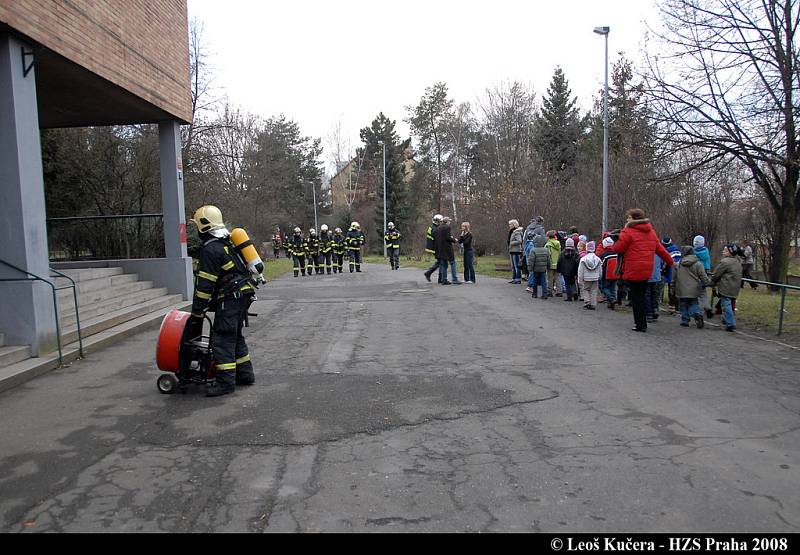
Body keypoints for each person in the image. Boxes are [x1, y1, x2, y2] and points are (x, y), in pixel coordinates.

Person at [188, 205, 258, 397]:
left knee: (222, 338)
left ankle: (225, 383)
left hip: (230, 299)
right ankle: (245, 374)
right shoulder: (227, 243)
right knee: (235, 336)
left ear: (203, 226)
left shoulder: (210, 249)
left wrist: (197, 310)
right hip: (242, 294)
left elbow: (205, 285)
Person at [608, 208, 675, 332]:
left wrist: (614, 242)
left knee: (636, 297)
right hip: (647, 269)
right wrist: (671, 262)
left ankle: (640, 324)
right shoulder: (651, 232)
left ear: (633, 218)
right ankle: (643, 320)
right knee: (642, 295)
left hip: (633, 268)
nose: (627, 219)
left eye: (628, 217)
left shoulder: (628, 232)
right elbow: (660, 250)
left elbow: (618, 248)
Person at [674, 245, 710, 329]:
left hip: (681, 289)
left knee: (683, 304)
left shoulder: (679, 264)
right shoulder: (698, 264)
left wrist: (672, 287)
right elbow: (703, 276)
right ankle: (697, 314)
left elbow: (674, 277)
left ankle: (685, 320)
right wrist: (708, 283)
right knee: (693, 303)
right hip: (694, 289)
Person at [710, 244, 743, 332]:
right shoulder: (738, 261)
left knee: (726, 305)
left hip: (726, 286)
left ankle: (730, 323)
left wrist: (712, 281)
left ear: (730, 252)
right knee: (729, 304)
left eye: (725, 250)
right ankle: (726, 320)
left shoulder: (725, 262)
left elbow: (717, 274)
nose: (723, 252)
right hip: (735, 287)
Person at [435, 216, 461, 285]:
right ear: (447, 222)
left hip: (441, 249)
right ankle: (454, 279)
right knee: (453, 263)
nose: (450, 222)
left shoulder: (438, 228)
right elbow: (447, 237)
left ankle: (444, 280)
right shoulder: (447, 227)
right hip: (447, 249)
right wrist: (454, 240)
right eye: (449, 221)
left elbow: (441, 238)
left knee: (444, 265)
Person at [693, 235, 714, 318]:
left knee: (696, 293)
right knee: (703, 292)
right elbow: (708, 263)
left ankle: (700, 312)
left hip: (695, 273)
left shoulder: (693, 253)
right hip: (705, 273)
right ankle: (707, 307)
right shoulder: (706, 252)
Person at [578, 241, 602, 309]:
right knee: (594, 290)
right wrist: (599, 277)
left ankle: (587, 302)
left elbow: (580, 270)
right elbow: (600, 270)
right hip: (595, 277)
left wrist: (580, 279)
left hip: (586, 278)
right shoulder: (598, 259)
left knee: (585, 289)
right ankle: (593, 303)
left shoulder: (583, 259)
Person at [599, 236, 620, 310]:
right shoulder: (617, 253)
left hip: (606, 275)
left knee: (604, 288)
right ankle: (612, 303)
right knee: (613, 288)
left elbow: (601, 265)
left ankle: (611, 298)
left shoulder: (604, 255)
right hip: (616, 274)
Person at [423, 215, 443, 282]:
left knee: (440, 261)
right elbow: (437, 239)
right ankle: (430, 273)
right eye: (440, 221)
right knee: (441, 262)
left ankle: (438, 277)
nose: (441, 223)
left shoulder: (432, 227)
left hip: (433, 247)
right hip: (435, 247)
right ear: (437, 221)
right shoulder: (435, 228)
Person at [646, 253, 665, 322]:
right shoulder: (658, 254)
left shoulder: (645, 254)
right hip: (656, 276)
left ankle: (649, 313)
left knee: (647, 295)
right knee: (654, 293)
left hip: (647, 276)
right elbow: (662, 264)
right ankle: (654, 309)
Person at [545, 230, 562, 297]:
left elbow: (548, 255)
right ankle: (559, 291)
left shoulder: (548, 245)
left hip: (550, 263)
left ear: (548, 237)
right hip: (557, 263)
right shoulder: (558, 243)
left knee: (550, 278)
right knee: (557, 277)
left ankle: (550, 291)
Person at [508, 219, 524, 284]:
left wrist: (511, 243)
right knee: (513, 266)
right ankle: (514, 278)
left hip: (516, 251)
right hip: (512, 250)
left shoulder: (517, 232)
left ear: (514, 225)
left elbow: (519, 241)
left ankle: (518, 279)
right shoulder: (511, 231)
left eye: (510, 224)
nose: (509, 225)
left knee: (517, 265)